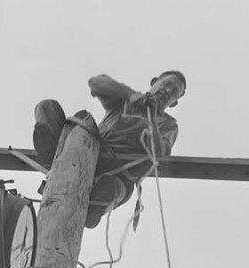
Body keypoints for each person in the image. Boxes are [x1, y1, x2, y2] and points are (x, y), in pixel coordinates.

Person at [33, 71, 186, 228]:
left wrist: (151, 120)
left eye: (174, 92)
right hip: (90, 149)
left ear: (173, 103)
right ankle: (54, 160)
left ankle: (95, 205)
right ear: (154, 82)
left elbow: (159, 155)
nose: (168, 91)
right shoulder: (124, 101)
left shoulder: (168, 124)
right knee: (47, 106)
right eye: (166, 84)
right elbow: (96, 83)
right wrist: (132, 95)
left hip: (119, 172)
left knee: (111, 187)